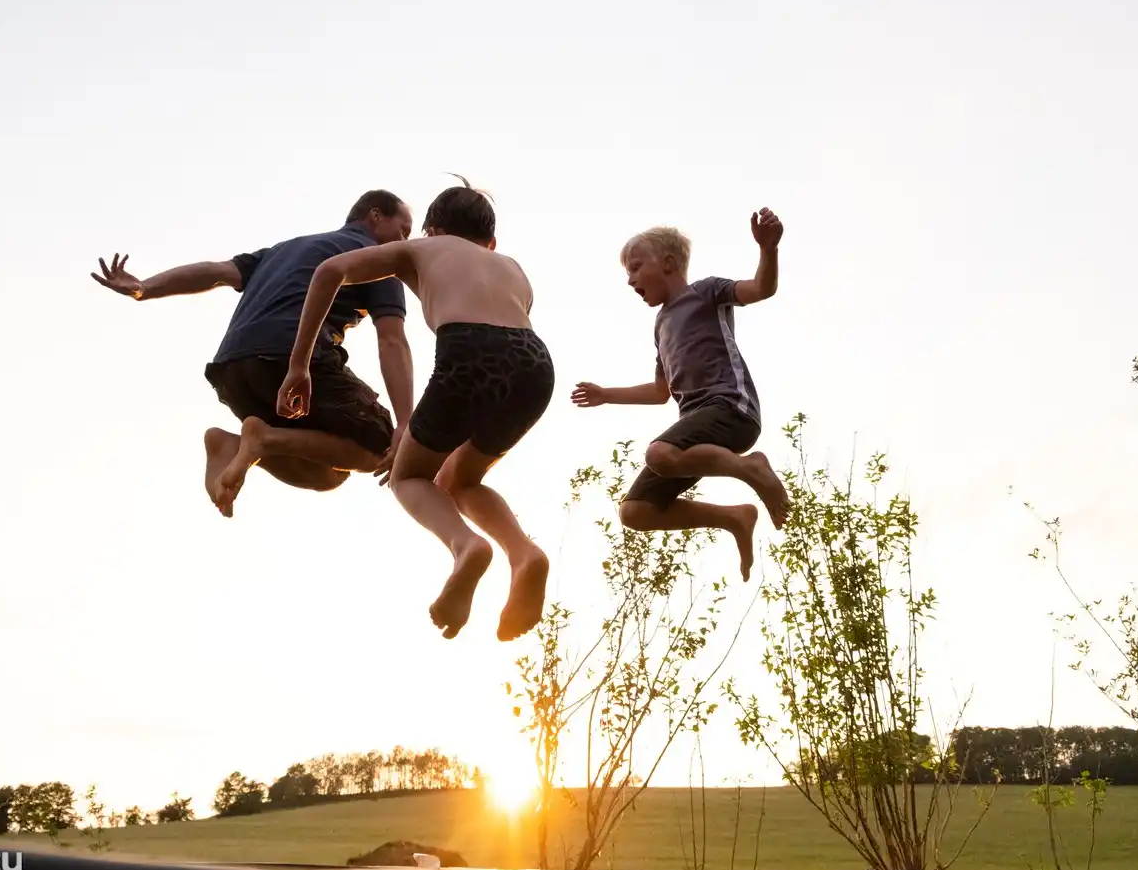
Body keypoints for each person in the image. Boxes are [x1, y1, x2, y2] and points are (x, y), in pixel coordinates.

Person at [225, 178, 555, 641]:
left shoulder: (422, 249)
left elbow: (328, 271)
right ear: (492, 241)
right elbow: (506, 343)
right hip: (536, 366)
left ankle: (467, 547)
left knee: (410, 477)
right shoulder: (511, 265)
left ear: (431, 231)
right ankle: (524, 554)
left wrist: (299, 365)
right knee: (461, 480)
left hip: (469, 354)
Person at [90, 190, 416, 516]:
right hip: (290, 365)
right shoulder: (377, 258)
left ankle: (236, 445)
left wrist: (145, 288)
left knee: (328, 472)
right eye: (403, 230)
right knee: (382, 447)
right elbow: (392, 340)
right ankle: (263, 439)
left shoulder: (283, 250)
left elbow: (216, 271)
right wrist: (404, 422)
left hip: (233, 371)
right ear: (376, 216)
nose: (405, 241)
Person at [570, 208, 790, 581]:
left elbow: (761, 288)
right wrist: (606, 394)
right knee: (635, 511)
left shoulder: (706, 292)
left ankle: (751, 468)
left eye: (636, 267)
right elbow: (660, 392)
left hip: (731, 407)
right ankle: (734, 516)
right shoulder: (660, 325)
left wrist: (768, 249)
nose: (630, 281)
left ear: (668, 263)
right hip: (698, 425)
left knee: (660, 452)